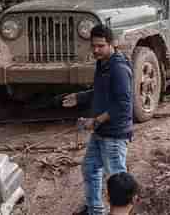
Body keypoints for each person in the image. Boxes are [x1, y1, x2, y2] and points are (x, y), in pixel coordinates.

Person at [62, 25, 134, 215]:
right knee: (90, 168)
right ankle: (95, 209)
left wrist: (95, 121)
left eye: (101, 46)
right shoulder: (103, 63)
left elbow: (123, 104)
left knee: (117, 181)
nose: (96, 50)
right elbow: (101, 91)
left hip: (114, 134)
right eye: (93, 46)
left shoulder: (118, 68)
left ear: (112, 44)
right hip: (101, 131)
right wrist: (79, 97)